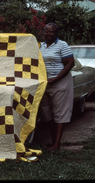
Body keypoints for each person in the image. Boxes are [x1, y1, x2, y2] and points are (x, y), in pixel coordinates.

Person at [39, 22, 75, 151]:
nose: (48, 34)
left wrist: (56, 78)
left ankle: (56, 144)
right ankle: (53, 142)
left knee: (59, 113)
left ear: (56, 33)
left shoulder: (62, 45)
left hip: (60, 83)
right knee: (46, 113)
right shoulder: (41, 46)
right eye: (46, 31)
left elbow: (70, 63)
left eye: (51, 31)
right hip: (45, 84)